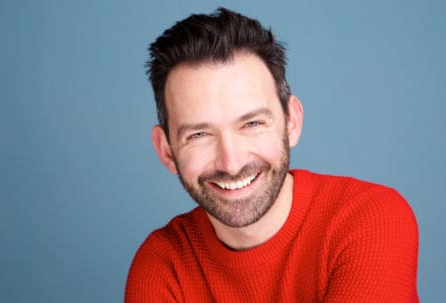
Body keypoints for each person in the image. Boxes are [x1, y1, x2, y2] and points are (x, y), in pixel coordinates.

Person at [125, 7, 419, 302]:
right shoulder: (162, 264)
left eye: (252, 124)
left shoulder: (369, 219)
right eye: (199, 135)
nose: (231, 163)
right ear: (166, 151)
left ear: (291, 122)